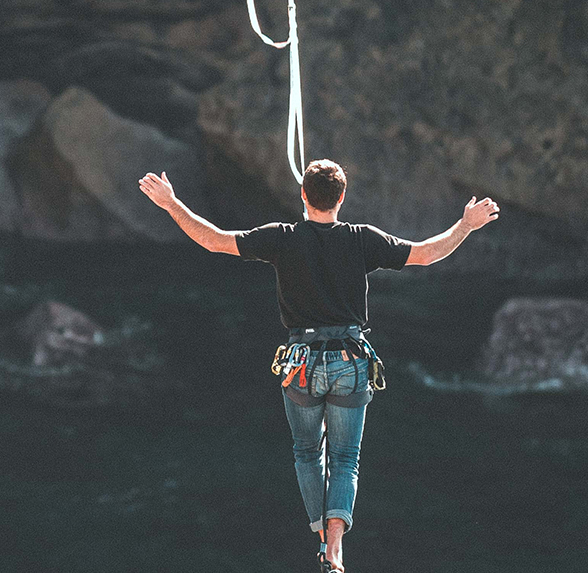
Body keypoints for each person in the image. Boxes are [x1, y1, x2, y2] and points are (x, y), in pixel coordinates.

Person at [138, 160, 499, 573]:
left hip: (302, 363)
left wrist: (171, 204)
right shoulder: (363, 239)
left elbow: (214, 240)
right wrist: (467, 224)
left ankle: (322, 538)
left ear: (303, 196)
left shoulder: (282, 238)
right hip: (350, 359)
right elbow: (427, 254)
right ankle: (335, 547)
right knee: (346, 458)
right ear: (342, 197)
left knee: (308, 453)